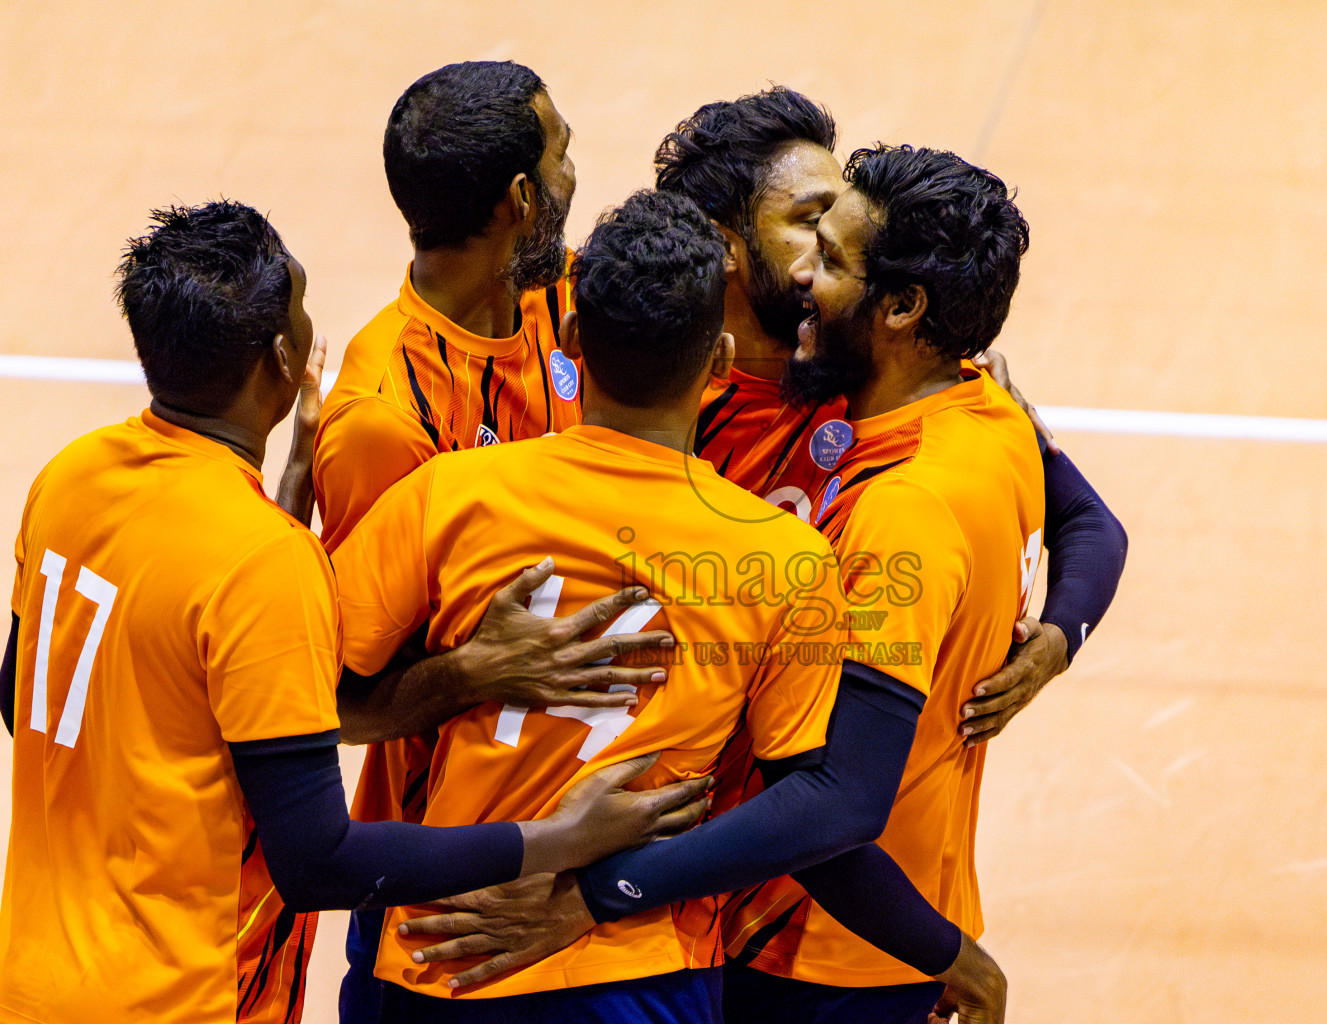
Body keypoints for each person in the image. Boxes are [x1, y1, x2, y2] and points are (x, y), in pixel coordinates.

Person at [0, 201, 707, 1024]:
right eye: (301, 309)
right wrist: (563, 839)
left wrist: (288, 491)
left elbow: (24, 694)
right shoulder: (262, 559)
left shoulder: (73, 475)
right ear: (281, 355)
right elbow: (320, 862)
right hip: (178, 993)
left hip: (33, 976)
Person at [331, 189, 1000, 1021]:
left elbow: (307, 706)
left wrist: (462, 674)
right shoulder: (787, 561)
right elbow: (815, 802)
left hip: (443, 952)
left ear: (573, 342)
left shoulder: (445, 496)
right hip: (641, 973)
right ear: (719, 362)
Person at [308, 62, 678, 1022]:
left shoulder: (568, 298)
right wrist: (477, 672)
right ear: (520, 199)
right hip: (452, 890)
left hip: (600, 845)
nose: (574, 169)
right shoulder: (384, 418)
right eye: (562, 151)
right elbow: (333, 703)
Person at [699, 144, 1050, 1022]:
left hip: (817, 949)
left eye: (833, 261)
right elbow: (1096, 526)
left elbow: (837, 805)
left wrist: (600, 887)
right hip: (903, 926)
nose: (803, 278)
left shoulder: (906, 511)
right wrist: (1062, 636)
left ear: (901, 307)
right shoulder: (992, 418)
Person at [658, 87, 1127, 741]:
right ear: (724, 244)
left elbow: (1088, 520)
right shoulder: (652, 391)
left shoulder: (891, 371)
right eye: (809, 223)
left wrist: (1056, 640)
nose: (829, 239)